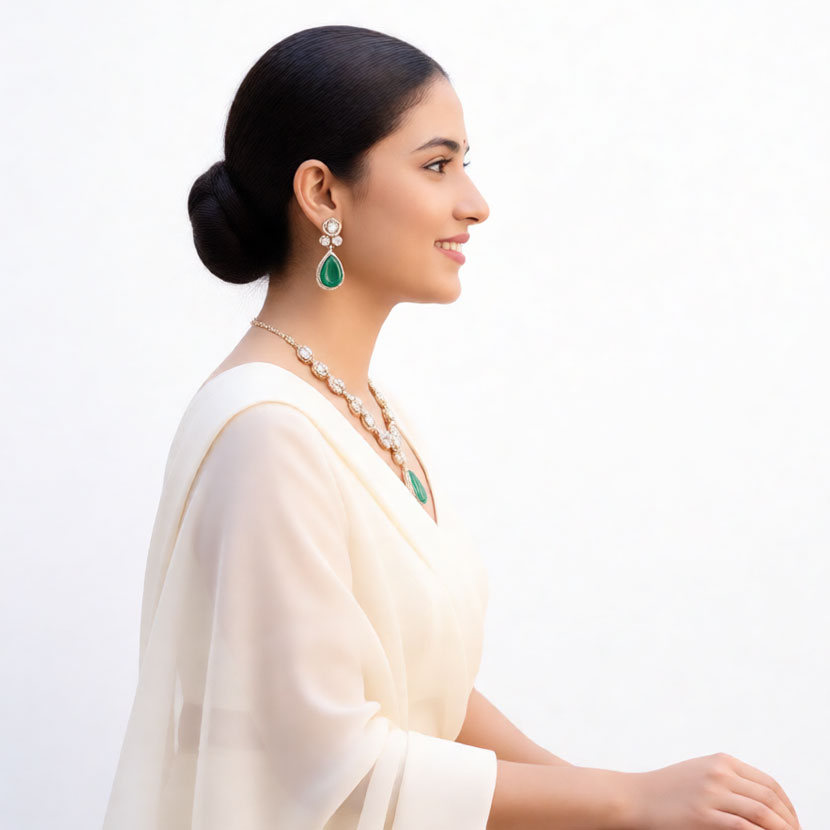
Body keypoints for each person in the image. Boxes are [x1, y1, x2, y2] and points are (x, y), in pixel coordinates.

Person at [102, 24, 802, 830]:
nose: (475, 203)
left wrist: (623, 801)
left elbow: (426, 686)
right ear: (323, 193)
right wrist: (627, 800)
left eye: (465, 163)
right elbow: (328, 764)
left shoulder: (368, 410)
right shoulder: (268, 432)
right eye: (438, 165)